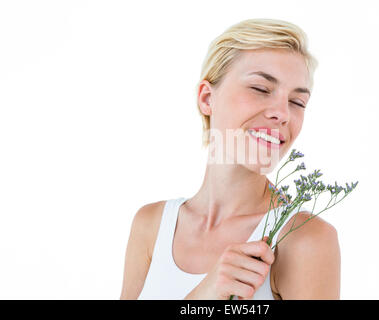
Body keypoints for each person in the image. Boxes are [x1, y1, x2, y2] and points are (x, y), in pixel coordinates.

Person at [120, 18, 340, 300]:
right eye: (261, 88)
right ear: (207, 98)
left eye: (297, 102)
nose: (283, 113)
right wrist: (202, 296)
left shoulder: (302, 239)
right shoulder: (151, 225)